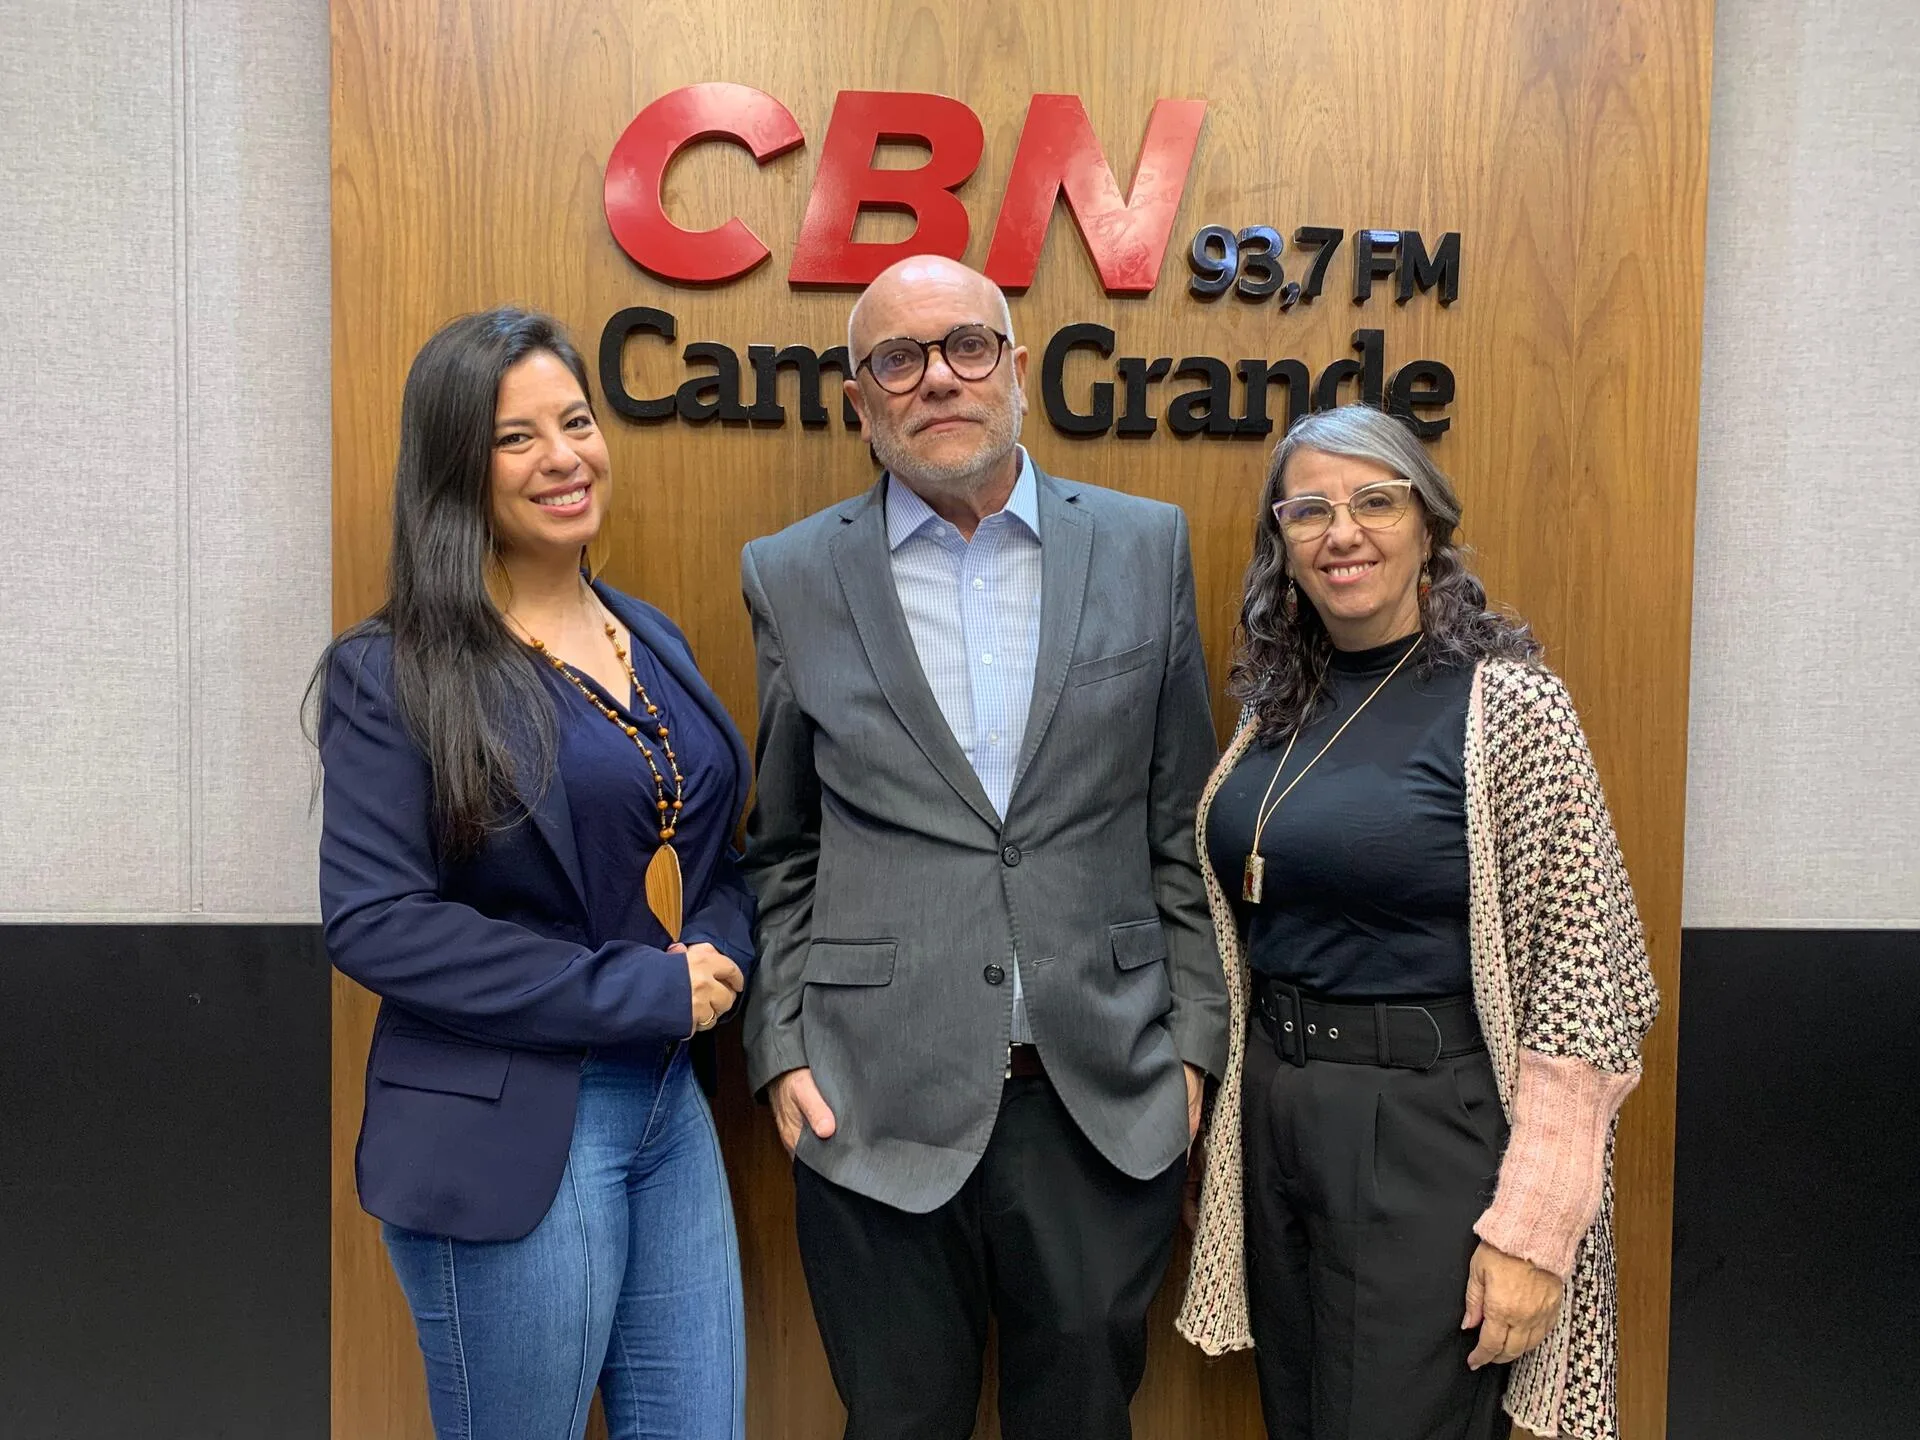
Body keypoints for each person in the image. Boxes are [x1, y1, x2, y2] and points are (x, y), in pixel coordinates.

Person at [738, 255, 1228, 1440]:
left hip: (1099, 1095)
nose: (935, 380)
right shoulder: (791, 573)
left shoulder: (1143, 545)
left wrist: (1195, 1044)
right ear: (860, 401)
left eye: (965, 348)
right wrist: (782, 1042)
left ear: (1016, 370)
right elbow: (785, 840)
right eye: (896, 360)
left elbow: (1179, 825)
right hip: (870, 1101)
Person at [1177, 404, 1659, 1440]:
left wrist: (1534, 1232)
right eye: (1308, 510)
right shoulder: (1275, 713)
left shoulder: (1509, 708)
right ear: (1283, 545)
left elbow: (1590, 994)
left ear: (1427, 528)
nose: (1340, 531)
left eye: (1374, 502)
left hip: (1425, 1129)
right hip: (1278, 1117)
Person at [315, 308, 754, 1440]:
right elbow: (378, 923)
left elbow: (713, 851)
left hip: (666, 1109)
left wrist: (722, 953)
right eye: (518, 438)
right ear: (457, 467)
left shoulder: (647, 636)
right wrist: (638, 992)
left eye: (577, 421)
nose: (565, 456)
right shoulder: (394, 671)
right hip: (510, 1129)